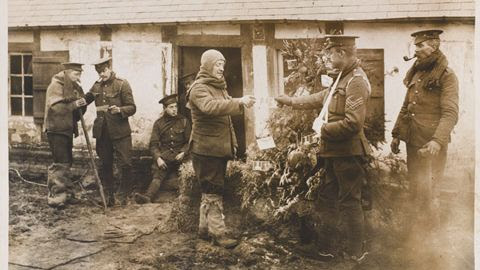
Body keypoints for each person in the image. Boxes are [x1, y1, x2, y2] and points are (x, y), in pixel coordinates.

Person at [275, 35, 371, 262]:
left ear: (342, 53)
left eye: (329, 54)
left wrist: (323, 128)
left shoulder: (356, 80)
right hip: (334, 153)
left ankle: (355, 254)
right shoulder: (342, 78)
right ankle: (326, 249)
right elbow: (320, 99)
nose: (326, 58)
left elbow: (353, 123)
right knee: (327, 199)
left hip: (348, 153)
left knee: (350, 203)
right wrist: (288, 101)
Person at [187, 49, 256, 248]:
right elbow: (211, 107)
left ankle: (203, 229)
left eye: (223, 65)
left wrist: (232, 144)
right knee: (213, 189)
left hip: (216, 148)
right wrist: (238, 101)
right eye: (217, 64)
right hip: (206, 149)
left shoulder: (218, 87)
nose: (221, 68)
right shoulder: (199, 88)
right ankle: (218, 234)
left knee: (209, 189)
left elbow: (225, 120)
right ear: (207, 65)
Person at [391, 30, 458, 228]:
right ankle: (414, 236)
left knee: (430, 192)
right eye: (415, 45)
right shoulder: (418, 72)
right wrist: (396, 134)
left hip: (431, 144)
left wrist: (437, 141)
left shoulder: (447, 76)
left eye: (420, 45)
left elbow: (450, 113)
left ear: (434, 46)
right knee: (415, 188)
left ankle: (432, 241)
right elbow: (407, 106)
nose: (416, 49)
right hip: (413, 140)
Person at [80, 57, 136, 206]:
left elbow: (132, 107)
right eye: (99, 72)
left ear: (109, 67)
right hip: (102, 132)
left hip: (120, 131)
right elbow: (86, 99)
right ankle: (108, 195)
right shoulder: (96, 86)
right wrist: (78, 101)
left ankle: (124, 194)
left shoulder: (122, 84)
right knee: (105, 163)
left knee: (125, 163)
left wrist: (120, 110)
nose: (102, 74)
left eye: (104, 70)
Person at [44, 62, 87, 208]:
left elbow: (77, 107)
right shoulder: (55, 86)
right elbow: (56, 108)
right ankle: (56, 196)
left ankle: (68, 194)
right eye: (76, 73)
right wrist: (76, 104)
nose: (78, 76)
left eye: (80, 73)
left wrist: (83, 101)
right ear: (67, 73)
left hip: (66, 128)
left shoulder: (73, 86)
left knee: (67, 161)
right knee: (60, 163)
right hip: (56, 129)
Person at [134, 94, 191, 204]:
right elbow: (153, 144)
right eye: (171, 107)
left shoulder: (184, 121)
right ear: (165, 109)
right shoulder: (159, 124)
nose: (174, 110)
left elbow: (189, 141)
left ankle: (186, 197)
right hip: (166, 156)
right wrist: (158, 158)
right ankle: (148, 197)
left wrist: (183, 152)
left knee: (187, 172)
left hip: (181, 155)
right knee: (158, 174)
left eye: (175, 107)